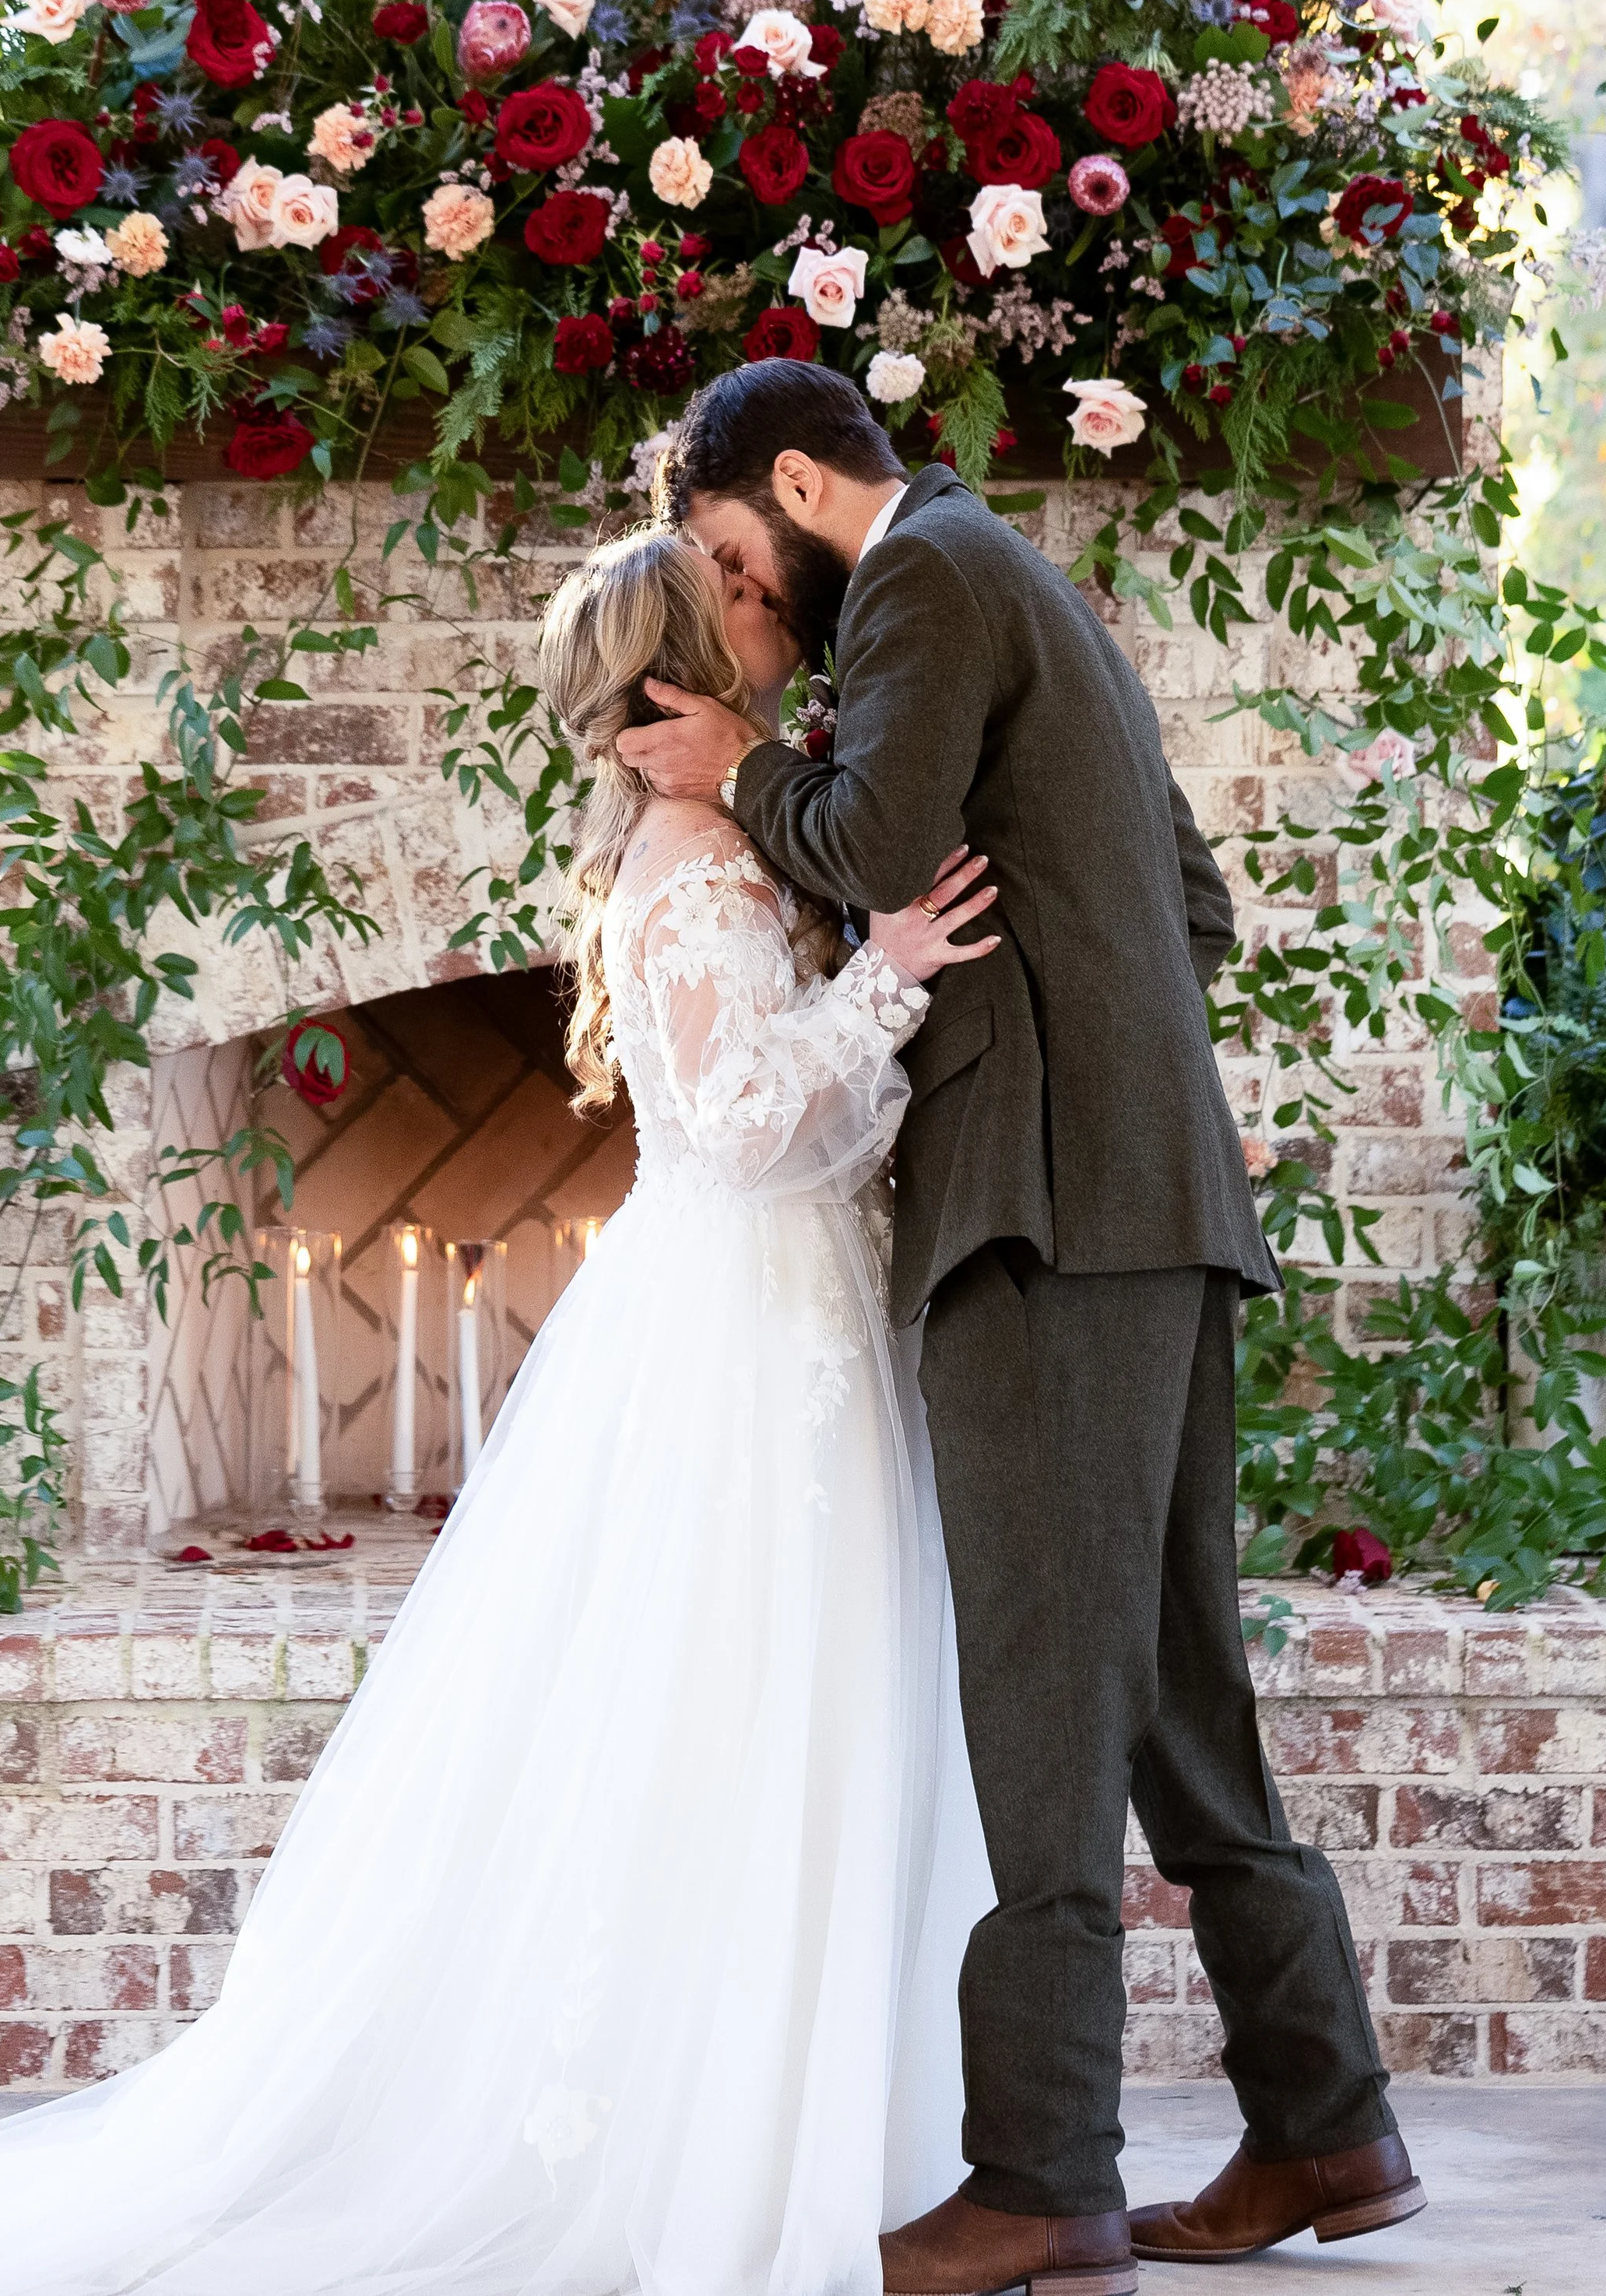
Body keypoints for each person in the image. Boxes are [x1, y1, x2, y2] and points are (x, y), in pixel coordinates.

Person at [0, 527, 1006, 2296]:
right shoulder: (687, 865)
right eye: (747, 603)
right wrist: (890, 972)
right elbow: (752, 1121)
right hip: (740, 1339)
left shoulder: (736, 836)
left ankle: (799, 2124)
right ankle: (705, 2148)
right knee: (734, 1698)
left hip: (795, 1319)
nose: (780, 618)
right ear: (678, 663)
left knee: (796, 1701)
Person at [617, 363, 1424, 2291]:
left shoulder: (918, 579)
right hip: (1145, 1210)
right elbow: (1194, 903)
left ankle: (1040, 2177)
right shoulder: (1030, 592)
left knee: (1046, 1705)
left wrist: (734, 766)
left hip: (1049, 1219)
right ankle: (1326, 2126)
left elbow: (882, 839)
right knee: (1161, 1682)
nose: (750, 597)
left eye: (738, 551)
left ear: (802, 486)